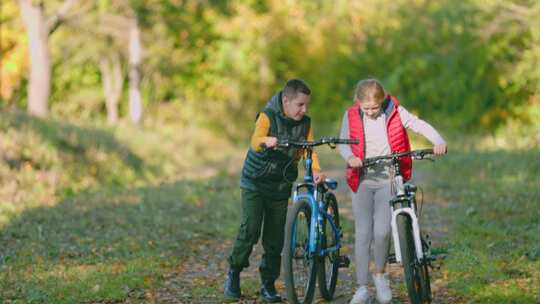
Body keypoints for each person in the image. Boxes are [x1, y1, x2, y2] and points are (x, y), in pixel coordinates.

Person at [339, 78, 447, 304]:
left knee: (382, 232)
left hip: (389, 178)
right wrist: (350, 157)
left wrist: (437, 140)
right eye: (365, 108)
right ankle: (361, 288)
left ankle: (380, 275)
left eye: (374, 108)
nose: (370, 112)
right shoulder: (351, 115)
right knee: (363, 234)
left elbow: (419, 124)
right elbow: (343, 142)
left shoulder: (395, 111)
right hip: (363, 179)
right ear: (357, 103)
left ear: (383, 100)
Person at [224, 79, 326, 302]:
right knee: (250, 229)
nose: (304, 109)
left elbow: (310, 150)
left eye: (306, 105)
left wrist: (316, 169)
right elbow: (254, 141)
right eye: (300, 105)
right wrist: (266, 140)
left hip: (280, 185)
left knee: (274, 239)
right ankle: (234, 271)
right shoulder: (267, 115)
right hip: (255, 182)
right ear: (286, 100)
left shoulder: (305, 123)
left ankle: (268, 284)